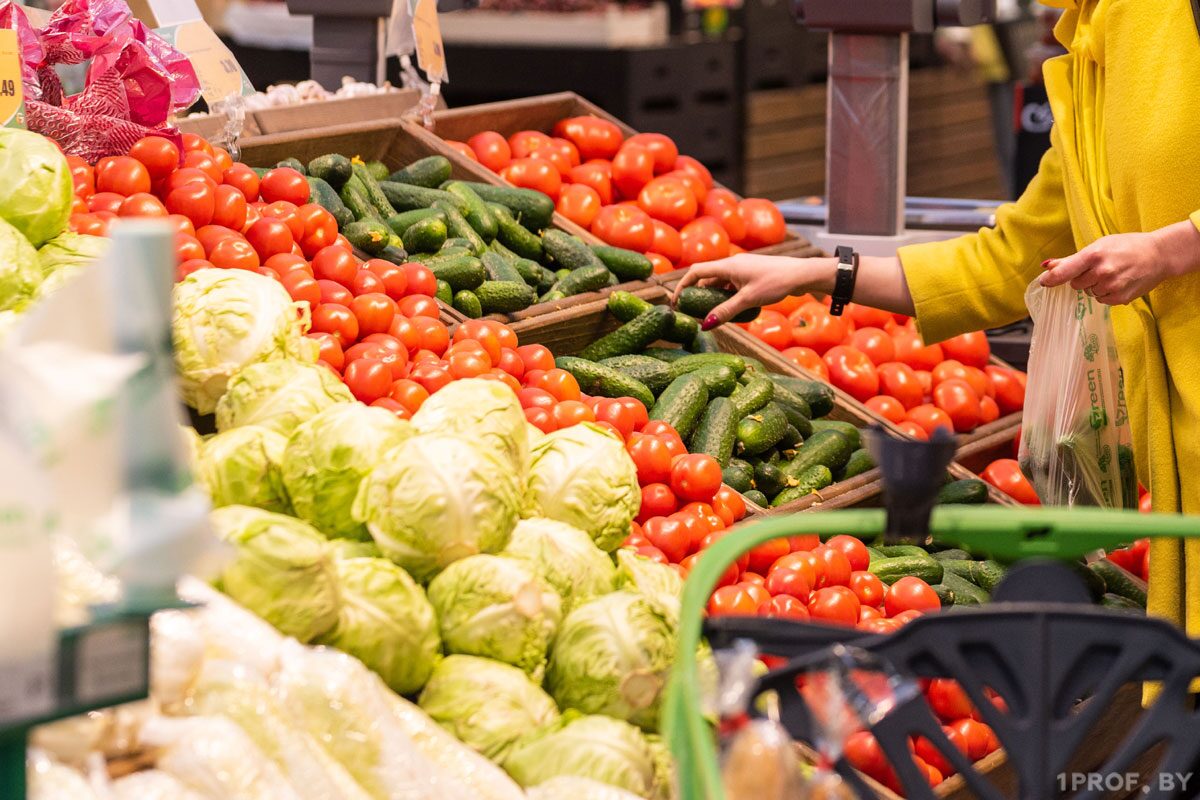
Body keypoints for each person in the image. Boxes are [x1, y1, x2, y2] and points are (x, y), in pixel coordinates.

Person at [676, 0, 1200, 635]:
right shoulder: (1092, 48)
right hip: (1177, 453)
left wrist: (1172, 248)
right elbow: (1008, 261)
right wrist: (818, 274)